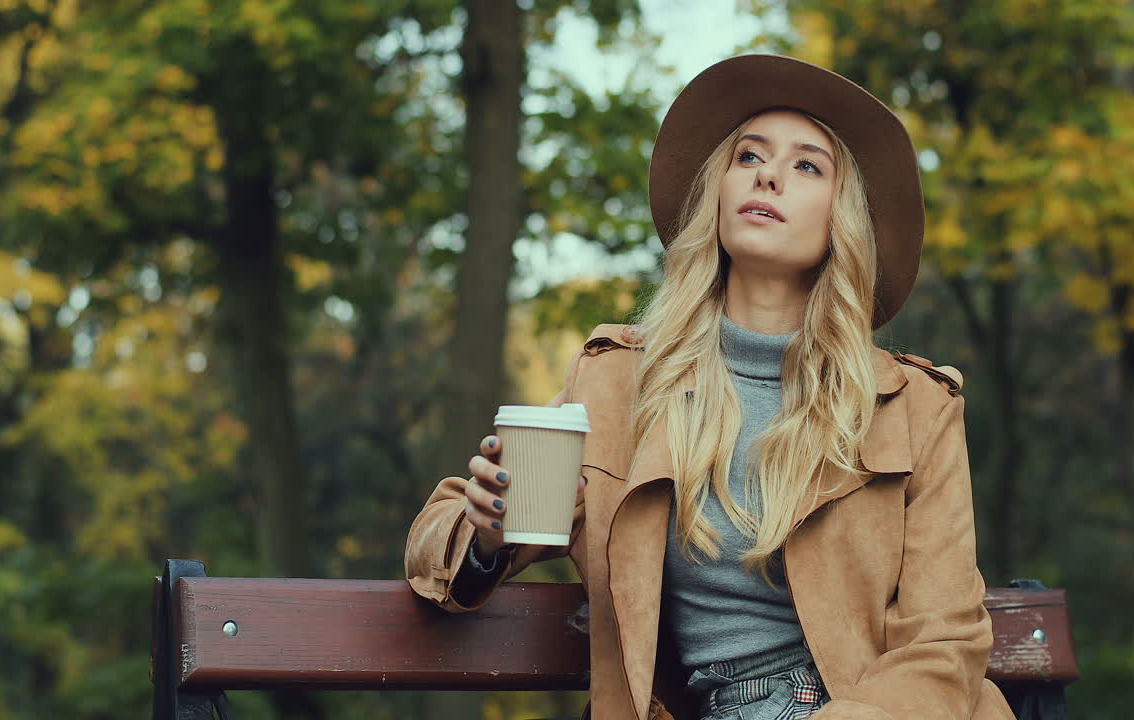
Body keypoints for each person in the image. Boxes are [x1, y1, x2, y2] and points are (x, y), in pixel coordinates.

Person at [405, 54, 1014, 720]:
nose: (769, 175)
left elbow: (945, 641)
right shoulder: (618, 382)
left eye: (807, 165)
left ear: (843, 220)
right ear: (719, 192)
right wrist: (490, 533)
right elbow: (438, 548)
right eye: (749, 156)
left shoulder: (915, 407)